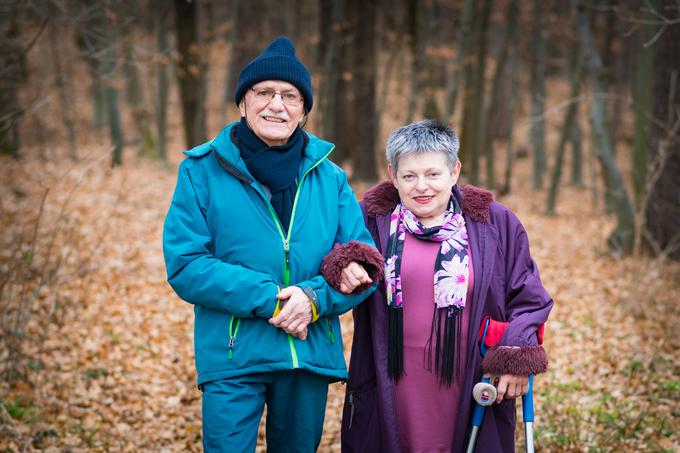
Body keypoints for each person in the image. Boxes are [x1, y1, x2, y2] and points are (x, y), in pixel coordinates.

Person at [163, 36, 384, 452]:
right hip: (233, 354)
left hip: (308, 351)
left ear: (303, 110)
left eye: (290, 96)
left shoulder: (330, 177)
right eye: (264, 92)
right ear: (242, 103)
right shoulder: (200, 171)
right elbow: (187, 264)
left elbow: (364, 264)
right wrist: (274, 300)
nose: (276, 104)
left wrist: (313, 298)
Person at [321, 120, 553, 452]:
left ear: (454, 171)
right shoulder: (370, 222)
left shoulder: (495, 223)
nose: (422, 186)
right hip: (391, 378)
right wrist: (344, 267)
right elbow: (335, 260)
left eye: (433, 174)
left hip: (469, 379)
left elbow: (529, 299)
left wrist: (515, 356)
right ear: (393, 175)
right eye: (409, 176)